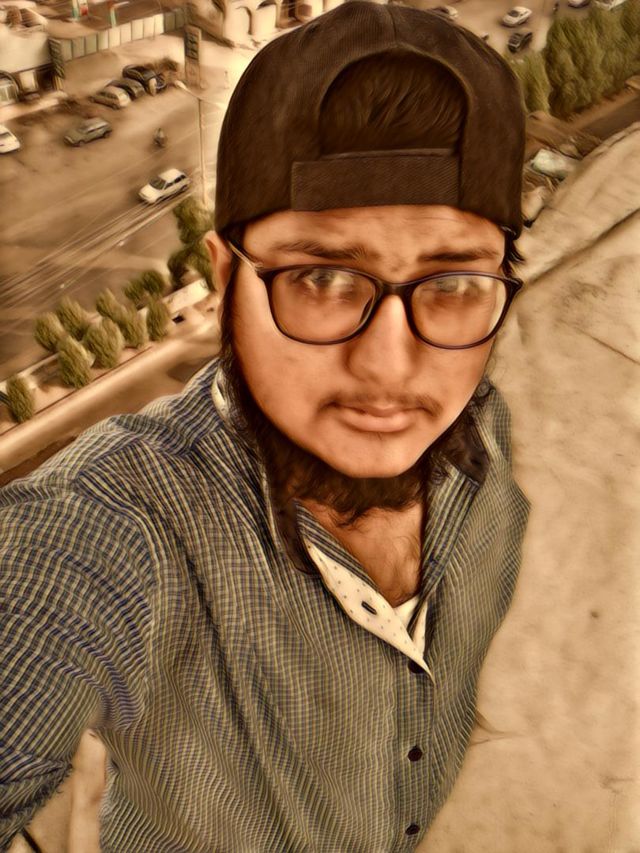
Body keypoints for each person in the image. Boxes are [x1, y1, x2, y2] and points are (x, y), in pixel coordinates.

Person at [0, 3, 530, 850]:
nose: (390, 367)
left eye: (452, 283)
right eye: (321, 279)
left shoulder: (486, 441)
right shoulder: (107, 533)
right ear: (224, 282)